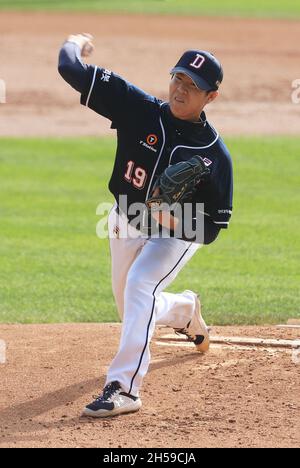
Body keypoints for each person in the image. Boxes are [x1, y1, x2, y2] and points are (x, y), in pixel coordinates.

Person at [58, 33, 233, 418]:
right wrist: (75, 42)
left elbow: (212, 229)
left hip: (176, 233)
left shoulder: (214, 156)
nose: (182, 89)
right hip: (124, 220)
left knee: (141, 285)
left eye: (194, 86)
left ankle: (124, 389)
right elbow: (69, 68)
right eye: (179, 78)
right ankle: (185, 311)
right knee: (133, 306)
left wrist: (168, 217)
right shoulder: (138, 108)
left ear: (211, 98)